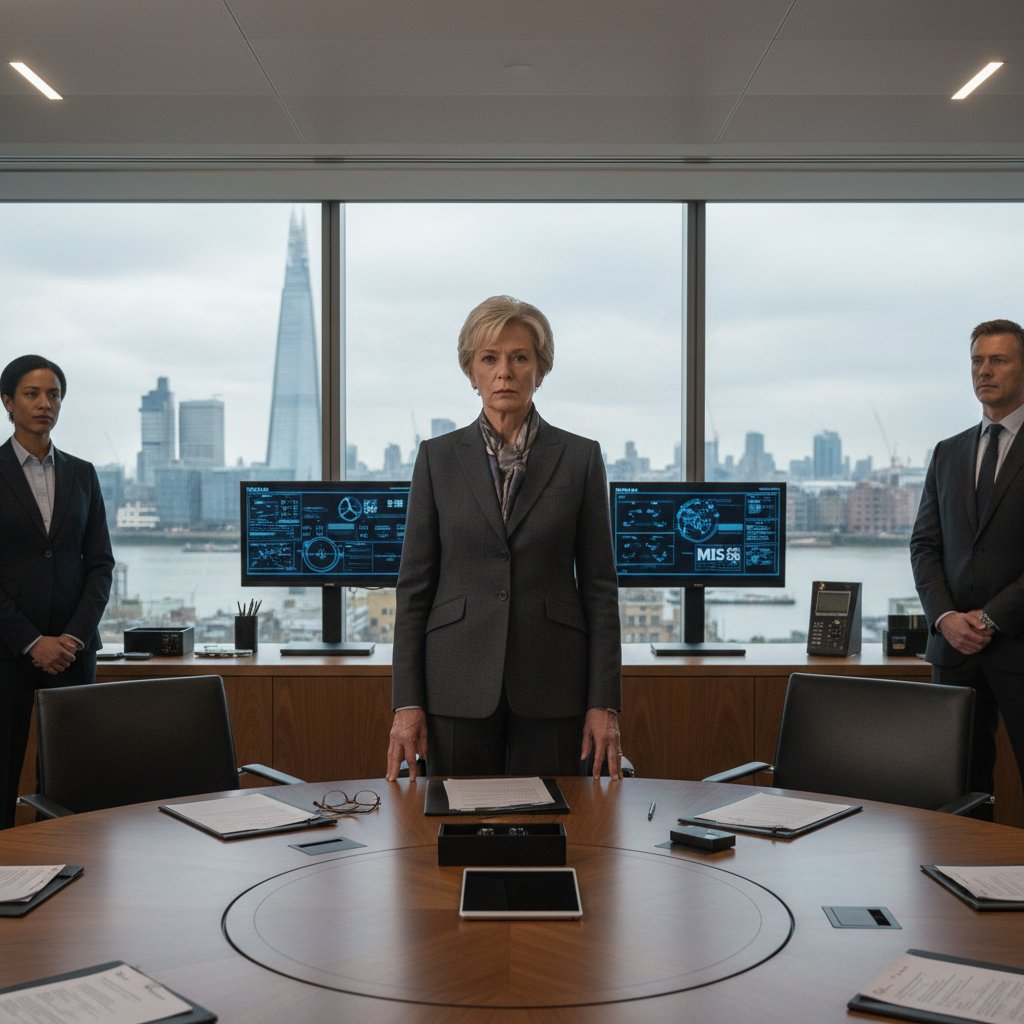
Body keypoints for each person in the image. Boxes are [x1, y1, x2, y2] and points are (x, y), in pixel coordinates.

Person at [385, 296, 622, 782]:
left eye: (519, 358)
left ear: (541, 370)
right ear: (471, 373)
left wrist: (604, 704)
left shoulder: (580, 459)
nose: (504, 372)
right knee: (456, 832)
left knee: (552, 833)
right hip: (455, 685)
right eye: (489, 359)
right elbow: (413, 590)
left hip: (553, 685)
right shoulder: (437, 458)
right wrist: (406, 702)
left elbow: (600, 589)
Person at [910, 318, 1024, 808]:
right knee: (955, 799)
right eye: (977, 360)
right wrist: (945, 618)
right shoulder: (948, 451)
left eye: (998, 360)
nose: (985, 371)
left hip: (1020, 645)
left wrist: (990, 617)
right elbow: (924, 546)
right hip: (954, 653)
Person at [0, 355, 114, 828]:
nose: (44, 403)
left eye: (54, 394)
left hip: (72, 653)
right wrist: (31, 641)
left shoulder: (82, 474)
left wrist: (72, 639)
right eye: (32, 394)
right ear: (8, 402)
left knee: (71, 781)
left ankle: (68, 878)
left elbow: (101, 565)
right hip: (7, 653)